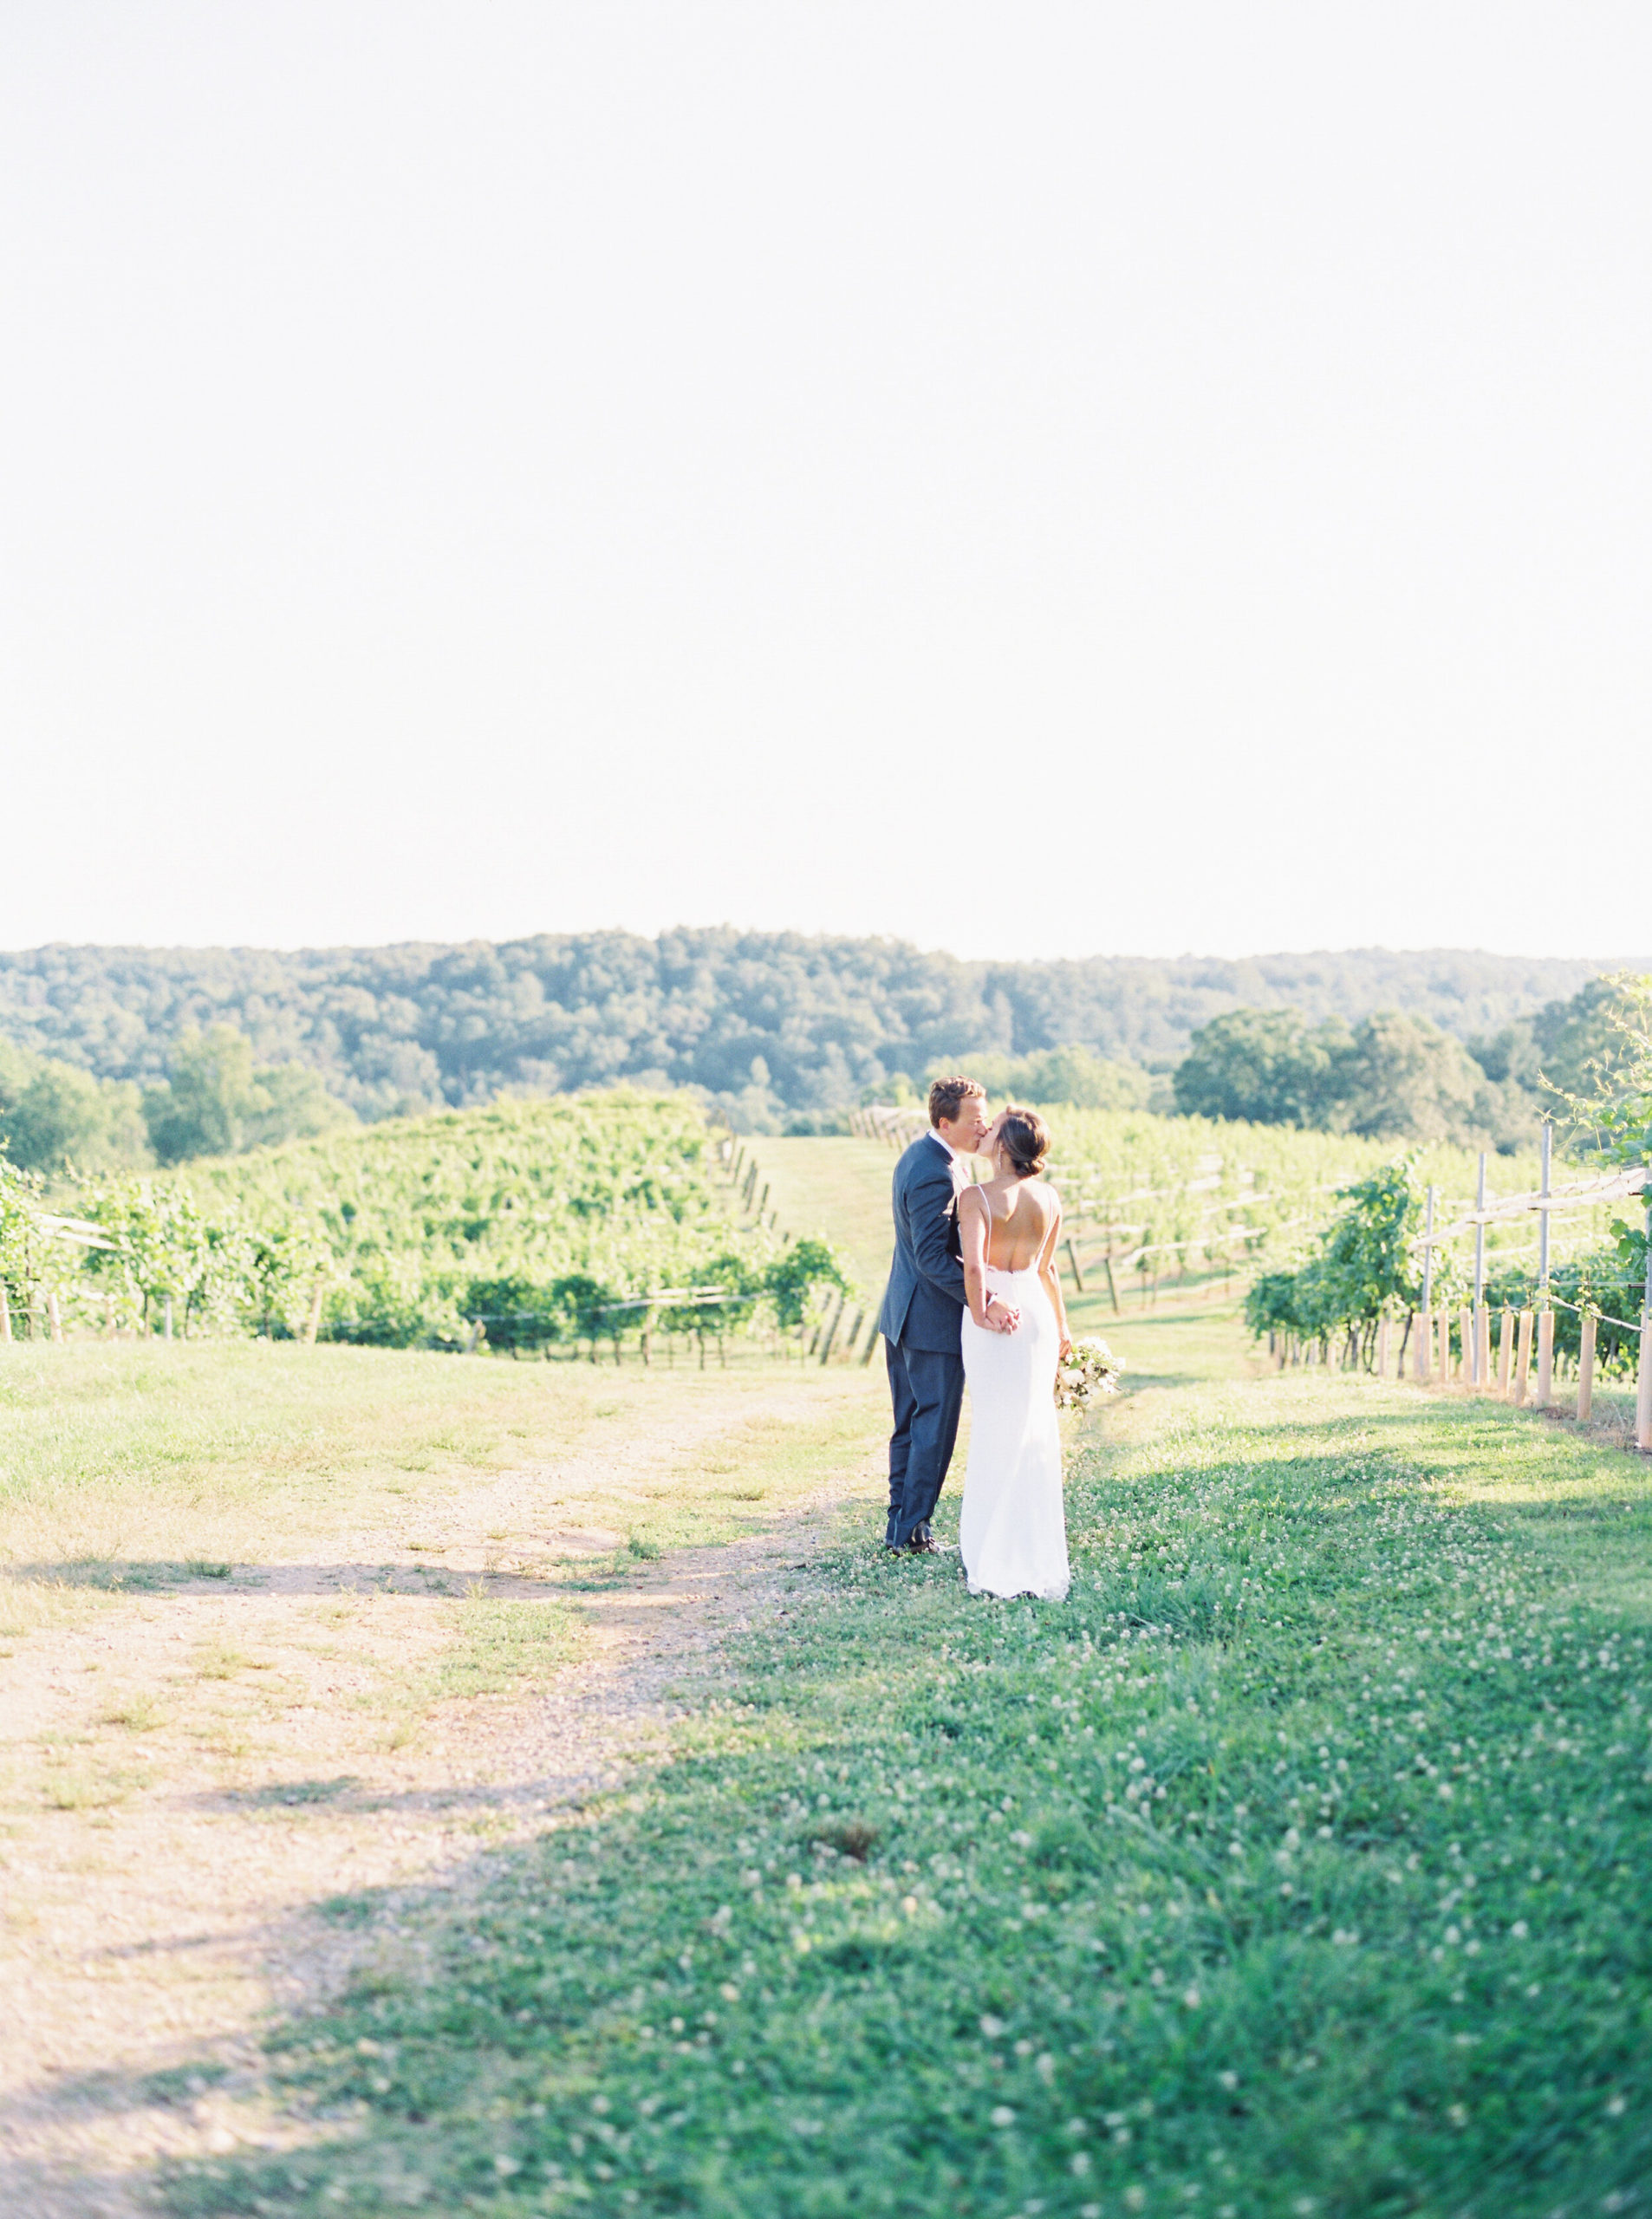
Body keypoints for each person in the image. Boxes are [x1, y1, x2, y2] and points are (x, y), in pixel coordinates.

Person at [875, 1076, 1018, 1554]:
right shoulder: (934, 1171)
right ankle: (913, 1532)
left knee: (914, 1425)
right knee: (931, 1428)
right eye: (975, 1120)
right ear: (945, 1122)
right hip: (926, 1322)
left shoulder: (930, 1157)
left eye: (985, 1117)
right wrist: (983, 1299)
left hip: (907, 1315)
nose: (983, 1128)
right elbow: (932, 1257)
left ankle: (902, 1529)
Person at [956, 1105, 1073, 1601]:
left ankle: (991, 1551)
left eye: (993, 1129)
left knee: (994, 1425)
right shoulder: (1049, 1197)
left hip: (996, 1314)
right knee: (1033, 1427)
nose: (984, 1131)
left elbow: (977, 1270)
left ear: (1003, 1146)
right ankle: (1035, 1550)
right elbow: (1048, 1272)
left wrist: (983, 1313)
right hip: (1038, 1317)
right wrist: (1064, 1329)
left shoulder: (975, 1197)